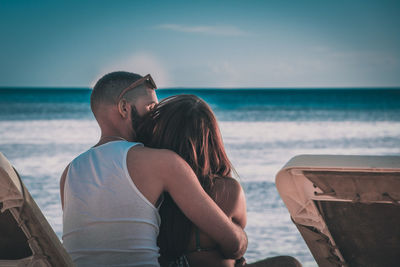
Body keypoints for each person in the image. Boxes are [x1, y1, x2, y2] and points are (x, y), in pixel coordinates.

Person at [60, 72, 247, 267]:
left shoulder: (69, 172)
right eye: (150, 109)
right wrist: (240, 238)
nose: (154, 119)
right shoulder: (163, 162)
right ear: (124, 108)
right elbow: (233, 244)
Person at [136, 95, 302, 267]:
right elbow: (235, 249)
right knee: (290, 264)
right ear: (212, 140)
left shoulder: (148, 187)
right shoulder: (227, 190)